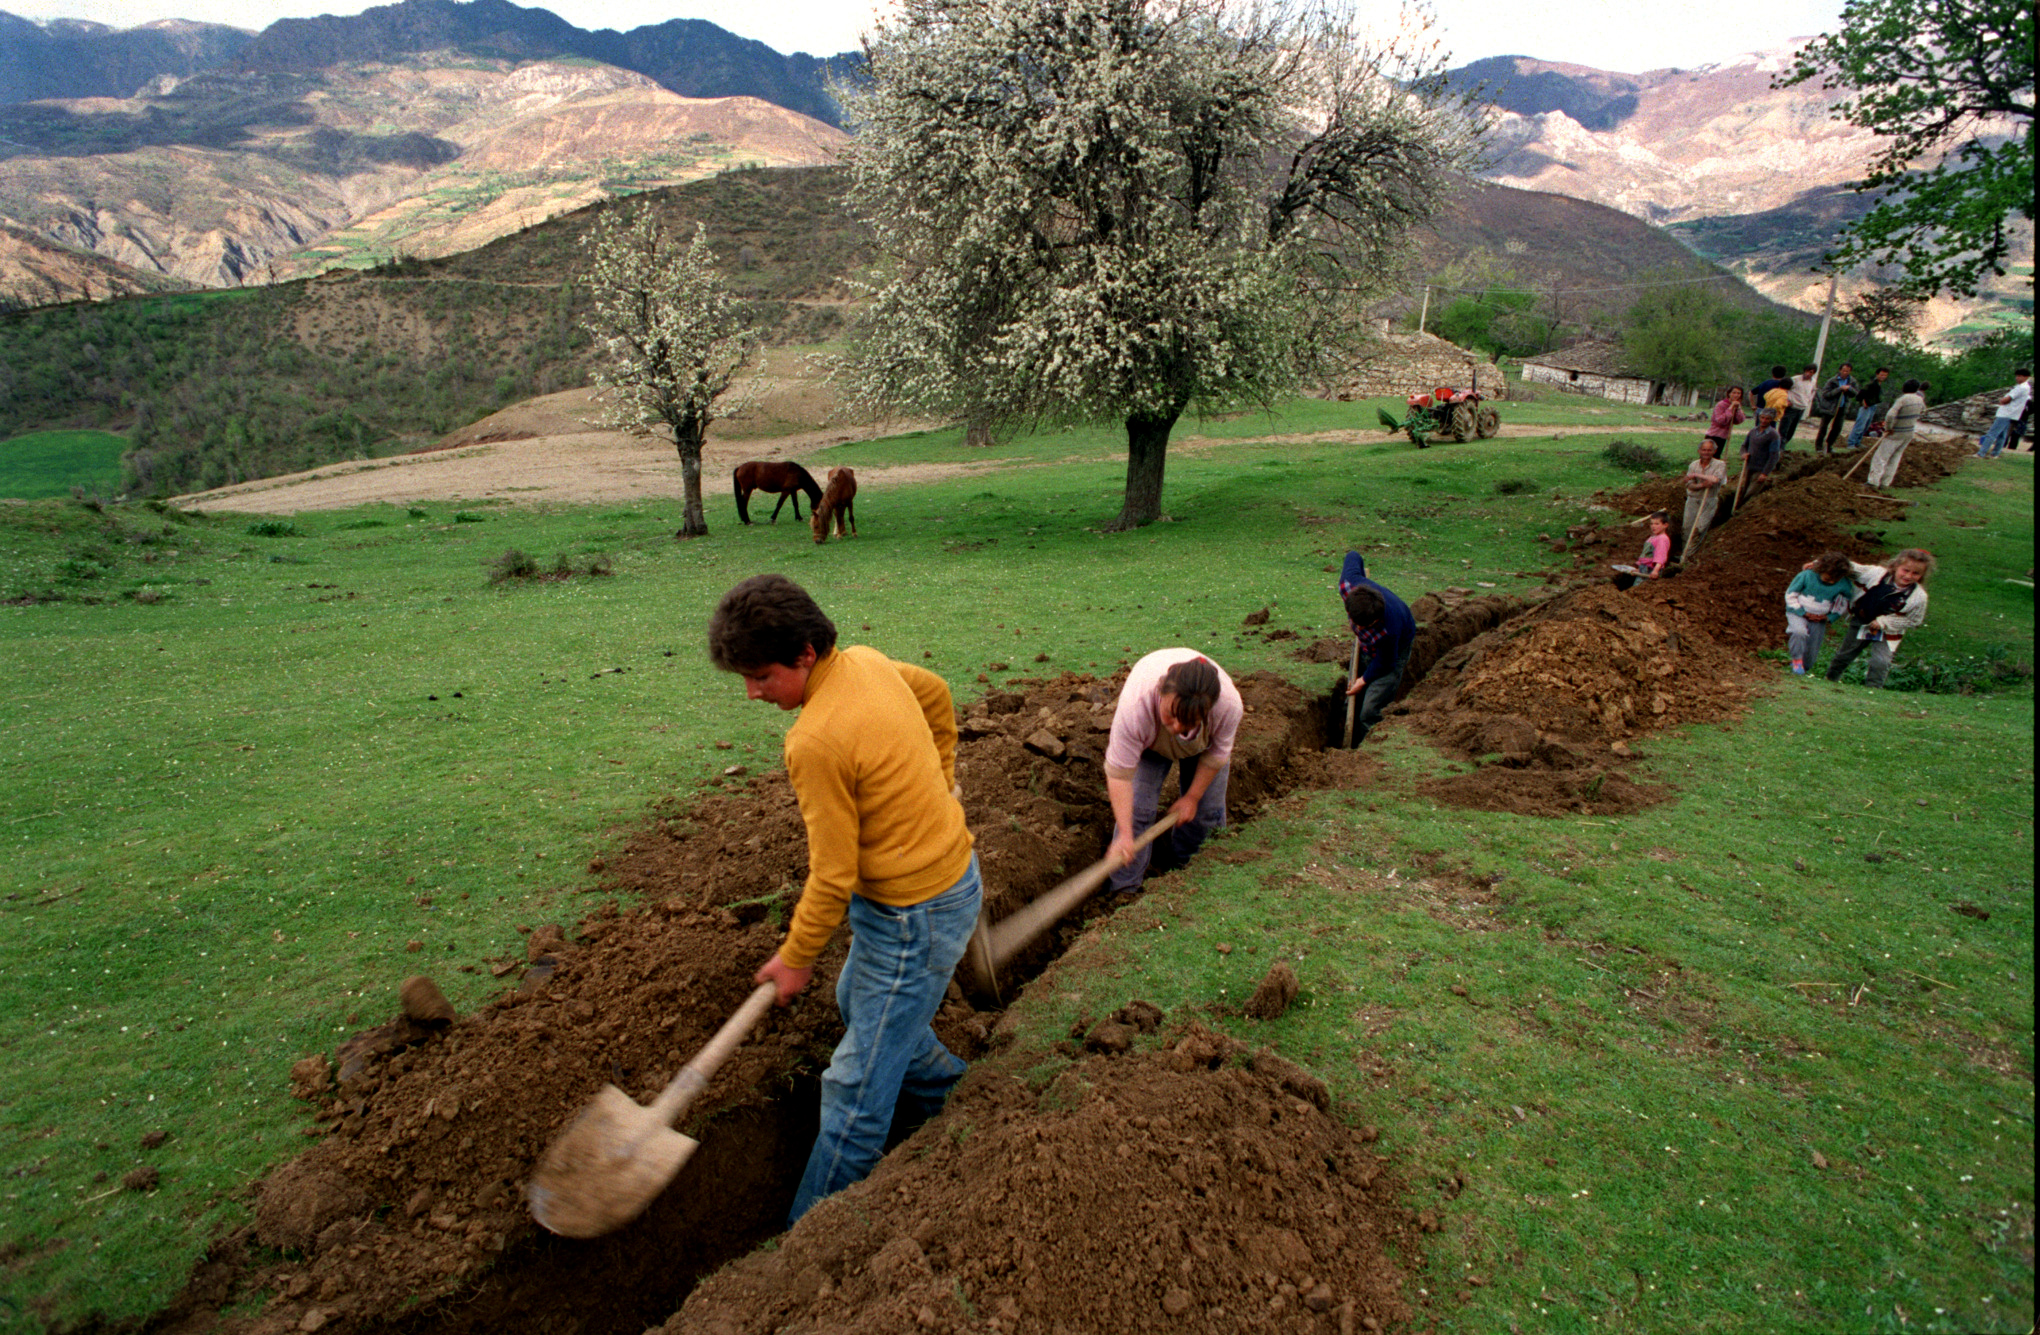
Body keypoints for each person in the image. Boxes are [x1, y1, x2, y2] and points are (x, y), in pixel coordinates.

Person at [708, 573, 980, 1225]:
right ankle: (959, 1096)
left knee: (854, 1094)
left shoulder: (814, 740)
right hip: (928, 893)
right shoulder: (867, 661)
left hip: (915, 914)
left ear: (805, 652)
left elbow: (831, 873)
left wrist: (797, 956)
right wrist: (943, 777)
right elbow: (937, 694)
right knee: (858, 1003)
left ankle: (803, 1244)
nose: (751, 692)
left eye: (761, 675)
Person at [1104, 649, 1243, 892]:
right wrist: (1125, 832)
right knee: (1136, 813)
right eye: (1171, 714)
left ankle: (1197, 875)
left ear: (1207, 711)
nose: (1177, 727)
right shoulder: (1137, 708)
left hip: (1202, 748)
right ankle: (1123, 892)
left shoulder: (1228, 706)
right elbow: (1119, 773)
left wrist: (1192, 797)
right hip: (1150, 745)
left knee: (1205, 813)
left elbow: (1216, 756)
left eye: (1188, 721)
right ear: (1161, 693)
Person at [1337, 551, 1416, 747]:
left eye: (1366, 627)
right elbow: (1353, 555)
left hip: (1394, 652)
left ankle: (1367, 749)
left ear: (1376, 619)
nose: (1360, 629)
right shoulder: (1349, 585)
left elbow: (1386, 661)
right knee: (1352, 698)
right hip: (1370, 646)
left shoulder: (1390, 628)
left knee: (1369, 710)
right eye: (1357, 624)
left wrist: (1363, 680)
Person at [1822, 549, 1933, 688]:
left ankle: (1873, 690)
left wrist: (1885, 622)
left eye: (1915, 573)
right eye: (1905, 570)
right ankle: (1829, 681)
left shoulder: (1918, 597)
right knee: (1845, 655)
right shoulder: (1876, 574)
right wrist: (1819, 564)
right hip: (1862, 620)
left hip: (1888, 631)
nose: (1909, 576)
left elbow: (1914, 620)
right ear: (1896, 566)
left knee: (1881, 661)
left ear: (1922, 575)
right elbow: (1850, 567)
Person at [1784, 550, 1857, 675]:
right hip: (1798, 612)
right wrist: (1802, 612)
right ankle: (1796, 660)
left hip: (1820, 618)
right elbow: (1791, 595)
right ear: (1821, 569)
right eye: (1828, 578)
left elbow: (1844, 603)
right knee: (1799, 632)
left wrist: (1829, 617)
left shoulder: (1844, 584)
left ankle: (1804, 667)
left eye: (1835, 580)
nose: (1831, 582)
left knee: (1812, 649)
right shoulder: (1806, 575)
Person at [1865, 379, 1927, 488]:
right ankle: (1885, 483)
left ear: (1904, 387)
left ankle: (1873, 482)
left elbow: (1890, 415)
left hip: (1896, 433)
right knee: (1895, 458)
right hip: (1908, 433)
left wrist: (1888, 428)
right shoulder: (1920, 400)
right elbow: (1923, 411)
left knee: (1880, 457)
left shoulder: (1902, 400)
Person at [1681, 437, 1728, 559]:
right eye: (1704, 450)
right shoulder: (1693, 465)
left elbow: (1715, 479)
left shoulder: (1720, 464)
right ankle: (1684, 554)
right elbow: (1689, 485)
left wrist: (1696, 475)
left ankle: (1690, 556)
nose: (1706, 452)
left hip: (1709, 501)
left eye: (1709, 450)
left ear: (1714, 451)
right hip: (1693, 500)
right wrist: (1701, 485)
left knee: (1699, 529)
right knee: (1687, 529)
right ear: (1699, 451)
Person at [1975, 369, 2031, 459]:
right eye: (2017, 376)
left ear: (2026, 377)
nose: (2017, 378)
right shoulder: (2026, 387)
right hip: (2012, 414)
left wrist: (2002, 400)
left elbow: (2007, 399)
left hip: (2006, 413)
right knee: (2002, 435)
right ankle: (1995, 453)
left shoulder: (2021, 387)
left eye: (2020, 376)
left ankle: (1981, 453)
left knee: (1992, 433)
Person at [1613, 511, 1673, 585]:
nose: (1653, 526)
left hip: (1650, 570)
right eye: (1651, 524)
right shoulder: (1652, 537)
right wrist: (1638, 566)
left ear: (1665, 525)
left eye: (1657, 524)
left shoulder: (1662, 539)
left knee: (1641, 588)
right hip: (1644, 568)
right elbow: (1645, 553)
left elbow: (1660, 557)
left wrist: (1655, 571)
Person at [1811, 362, 1857, 453]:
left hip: (1842, 408)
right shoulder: (1832, 381)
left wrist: (1849, 389)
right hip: (1829, 408)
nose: (1845, 373)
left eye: (1847, 371)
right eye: (1843, 370)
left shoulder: (1852, 381)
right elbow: (1826, 394)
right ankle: (1819, 447)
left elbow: (1855, 394)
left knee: (1837, 429)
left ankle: (1829, 446)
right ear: (1840, 370)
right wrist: (1839, 389)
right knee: (1823, 428)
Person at [1846, 367, 1891, 450]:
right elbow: (1860, 395)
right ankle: (1851, 443)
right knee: (1860, 426)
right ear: (1877, 374)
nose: (1883, 377)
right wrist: (1864, 403)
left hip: (1872, 406)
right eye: (1881, 375)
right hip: (1866, 407)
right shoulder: (1871, 384)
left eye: (1885, 375)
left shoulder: (1878, 385)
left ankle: (1857, 442)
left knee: (1866, 426)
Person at [1741, 408, 1783, 491]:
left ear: (1771, 420)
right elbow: (1744, 446)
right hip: (1749, 467)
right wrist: (1743, 453)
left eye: (1767, 418)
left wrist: (1765, 473)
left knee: (1751, 492)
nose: (1764, 420)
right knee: (1742, 490)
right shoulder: (1753, 431)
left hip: (1761, 469)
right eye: (1762, 417)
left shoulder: (1774, 435)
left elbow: (1774, 456)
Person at [1704, 386, 1746, 457]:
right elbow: (1721, 420)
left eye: (1739, 393)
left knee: (1717, 456)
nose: (1736, 395)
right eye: (1734, 392)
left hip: (1724, 435)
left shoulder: (1737, 405)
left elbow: (1739, 420)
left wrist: (1738, 408)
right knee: (1708, 455)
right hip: (1714, 434)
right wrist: (1730, 407)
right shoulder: (1721, 404)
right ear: (1729, 393)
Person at [1782, 363, 1818, 443]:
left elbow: (1813, 392)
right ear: (1804, 371)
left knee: (1792, 429)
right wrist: (1786, 400)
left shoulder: (1813, 382)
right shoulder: (1795, 379)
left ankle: (1785, 444)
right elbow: (1784, 389)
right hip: (1791, 407)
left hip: (1801, 408)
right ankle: (1780, 447)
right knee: (1784, 428)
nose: (1808, 374)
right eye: (1807, 371)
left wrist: (1808, 401)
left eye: (1811, 372)